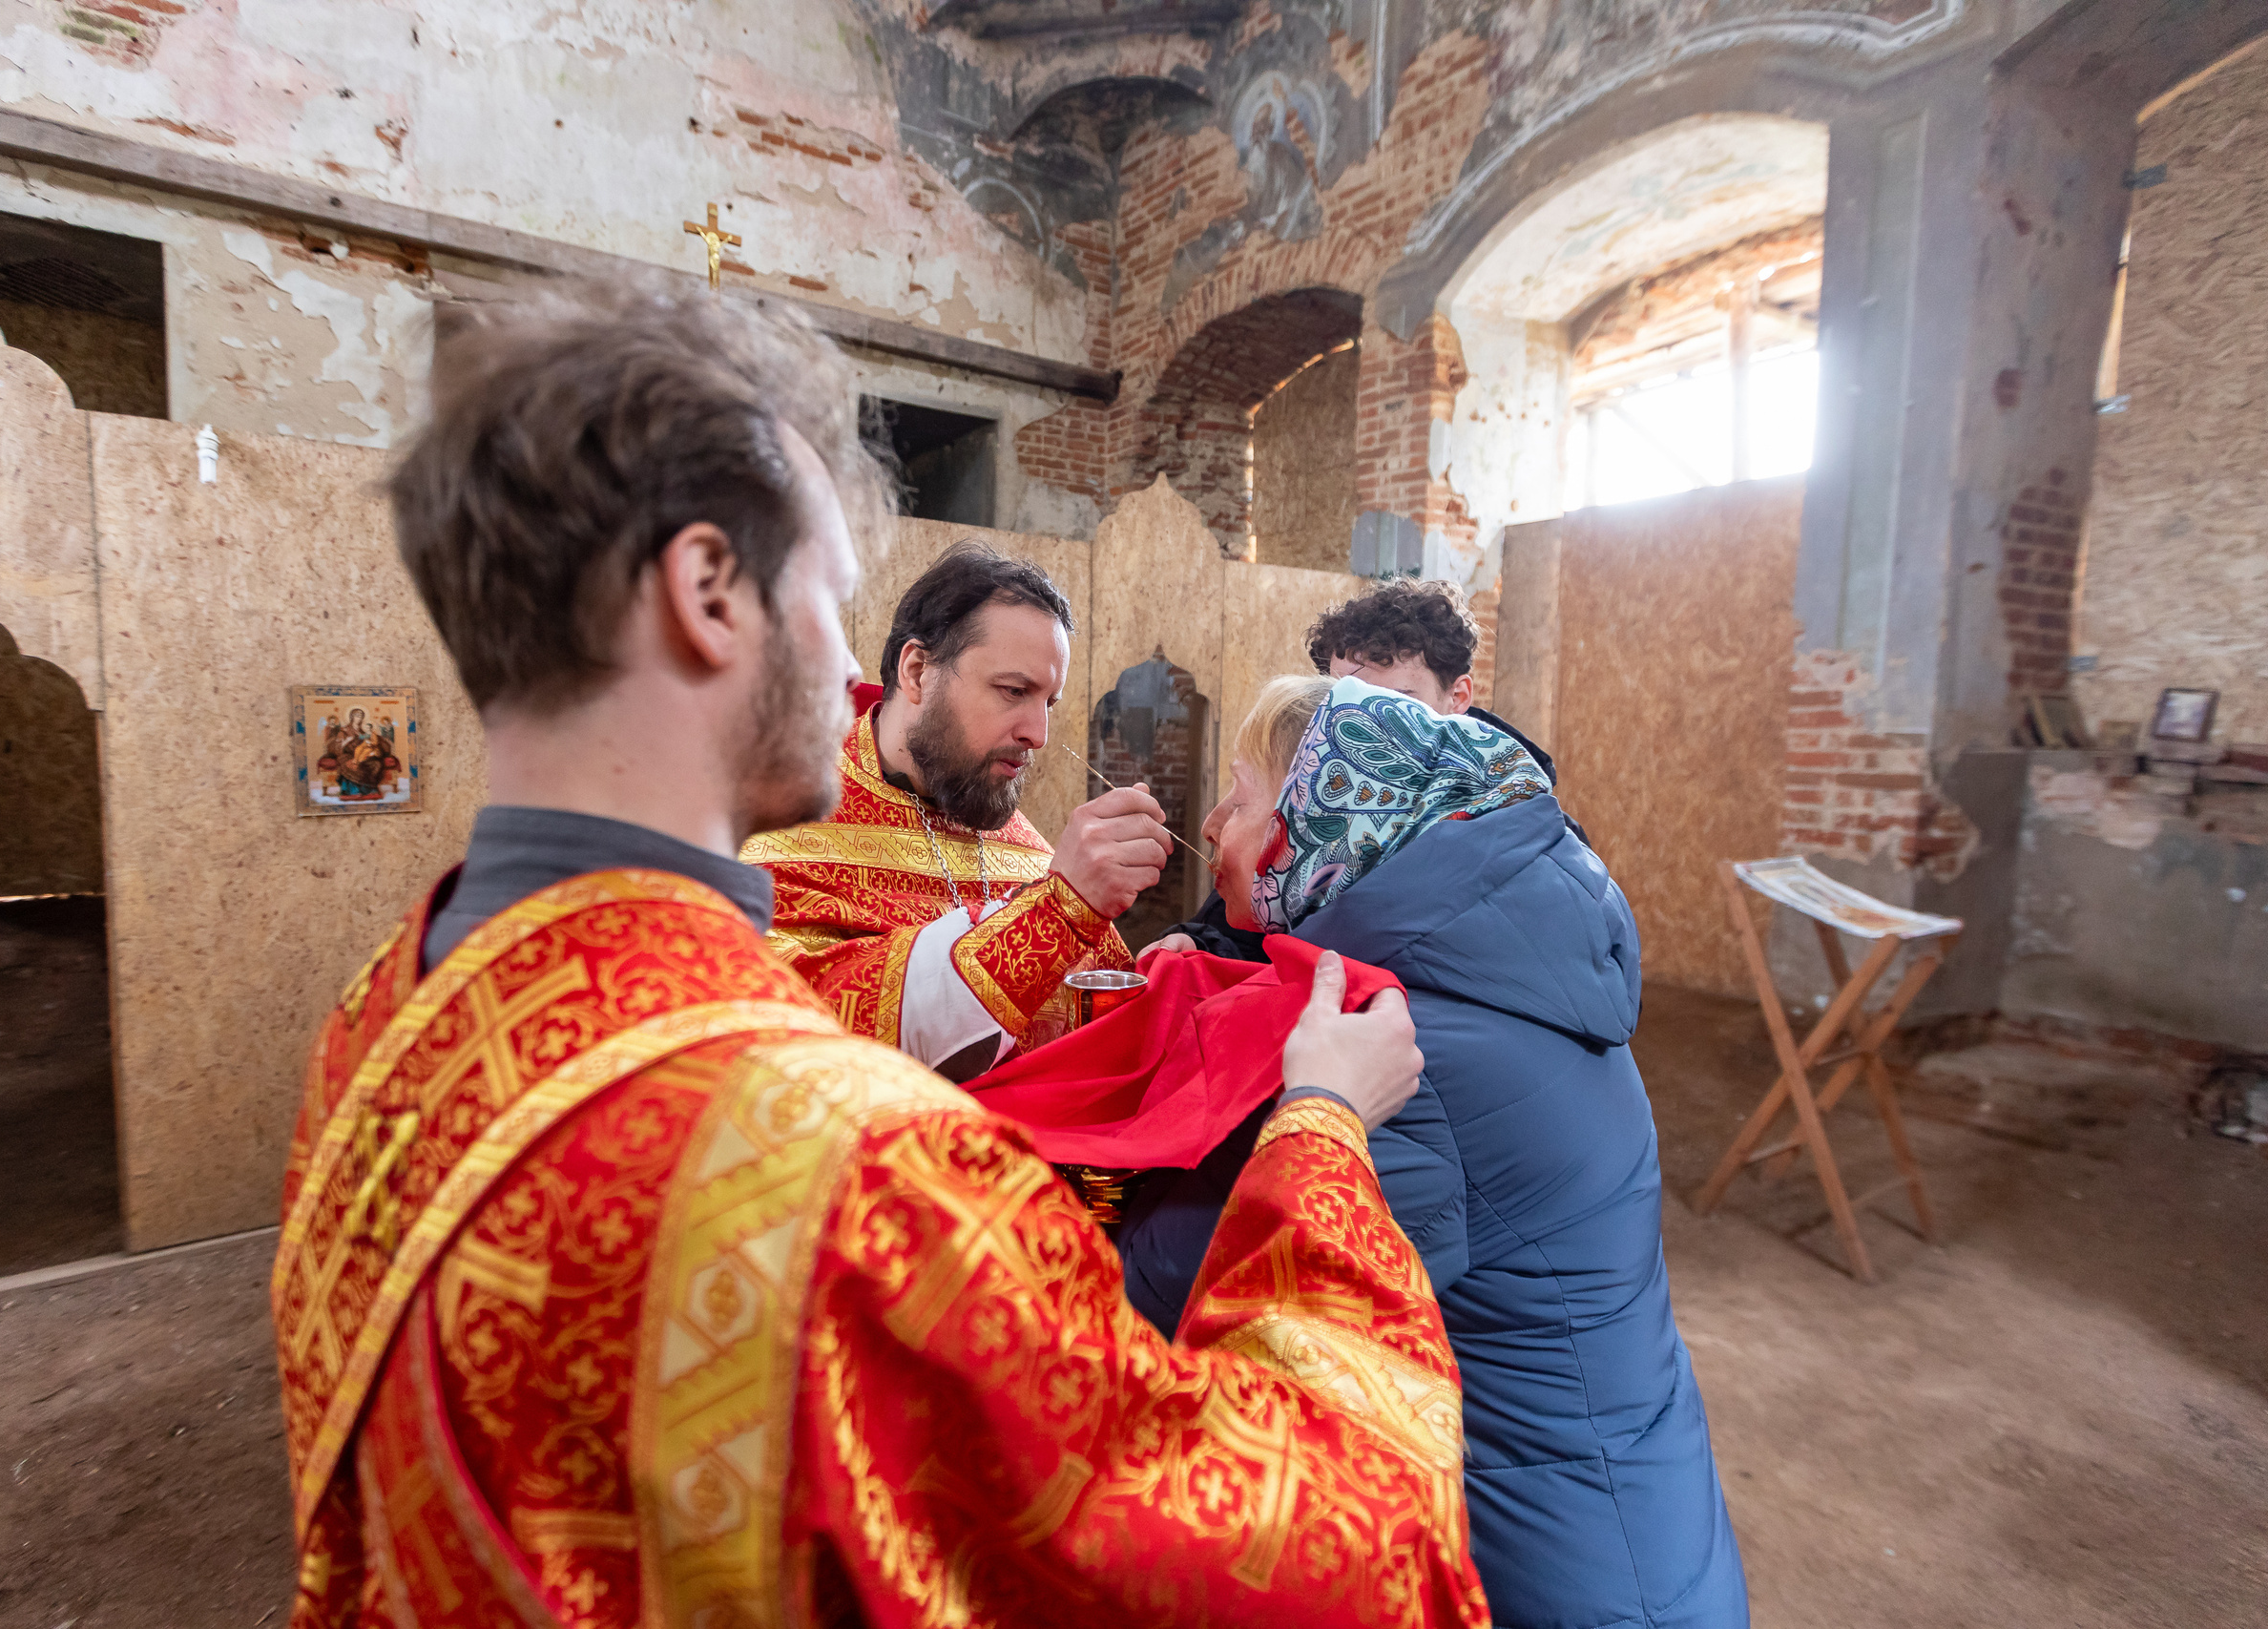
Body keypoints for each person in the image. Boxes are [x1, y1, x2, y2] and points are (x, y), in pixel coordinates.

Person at [272, 283, 1497, 1629]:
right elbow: (1321, 1552)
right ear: (708, 594)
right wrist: (1320, 1127)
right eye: (833, 600)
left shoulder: (388, 1000)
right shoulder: (860, 1169)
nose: (847, 666)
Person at [1120, 675, 1750, 1629]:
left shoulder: (1418, 1058)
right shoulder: (1500, 975)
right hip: (1612, 1509)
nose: (1209, 823)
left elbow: (1196, 1281)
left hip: (1559, 1571)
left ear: (1321, 822)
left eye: (1241, 796)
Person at [742, 543, 1172, 1081]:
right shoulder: (783, 822)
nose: (1036, 734)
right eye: (1013, 691)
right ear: (919, 672)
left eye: (1049, 703)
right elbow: (796, 1031)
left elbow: (1107, 1038)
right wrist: (1058, 911)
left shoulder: (1024, 844)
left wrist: (1170, 970)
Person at [1162, 575, 1559, 962]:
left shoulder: (1530, 839)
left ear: (1457, 696)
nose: (1354, 732)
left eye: (1390, 704)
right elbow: (1244, 937)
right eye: (1335, 703)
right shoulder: (1300, 819)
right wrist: (1199, 949)